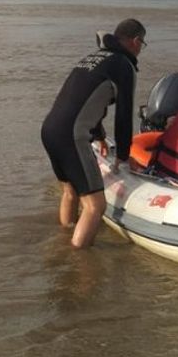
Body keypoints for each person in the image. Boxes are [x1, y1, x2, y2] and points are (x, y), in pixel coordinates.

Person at [41, 19, 146, 248]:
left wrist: (98, 136)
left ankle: (64, 241)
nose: (141, 49)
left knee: (70, 192)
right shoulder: (124, 65)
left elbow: (85, 100)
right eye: (142, 44)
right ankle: (77, 260)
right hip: (71, 136)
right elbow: (124, 114)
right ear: (136, 41)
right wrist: (123, 157)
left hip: (49, 130)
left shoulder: (94, 58)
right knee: (95, 206)